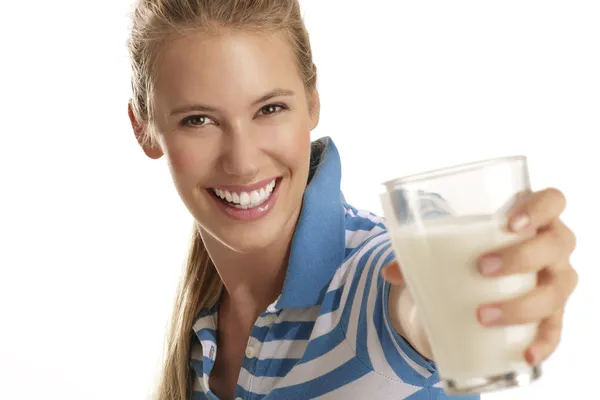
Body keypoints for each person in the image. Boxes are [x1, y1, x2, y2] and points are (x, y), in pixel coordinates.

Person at [126, 1, 578, 399]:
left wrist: (464, 295)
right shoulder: (199, 332)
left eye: (270, 109)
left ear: (312, 102)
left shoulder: (365, 273)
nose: (242, 163)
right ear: (143, 128)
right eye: (199, 120)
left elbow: (407, 304)